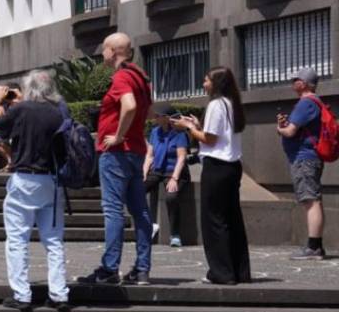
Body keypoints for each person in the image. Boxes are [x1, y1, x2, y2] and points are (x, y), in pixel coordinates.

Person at [0, 73, 70, 310]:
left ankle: (22, 294)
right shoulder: (59, 110)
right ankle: (59, 294)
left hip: (25, 178)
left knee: (17, 239)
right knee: (53, 240)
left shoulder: (22, 109)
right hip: (52, 181)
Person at [80, 32, 154, 286]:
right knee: (140, 211)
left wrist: (119, 135)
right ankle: (142, 269)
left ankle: (110, 268)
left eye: (104, 49)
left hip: (117, 153)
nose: (102, 54)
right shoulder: (141, 77)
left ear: (112, 50)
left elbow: (130, 105)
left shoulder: (122, 76)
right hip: (136, 152)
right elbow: (145, 109)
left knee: (113, 210)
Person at [176, 66, 250, 285]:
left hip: (217, 167)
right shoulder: (232, 104)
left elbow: (209, 140)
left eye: (207, 80)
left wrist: (187, 128)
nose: (204, 84)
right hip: (232, 166)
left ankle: (222, 272)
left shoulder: (216, 105)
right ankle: (239, 270)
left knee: (214, 221)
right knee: (232, 219)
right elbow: (217, 135)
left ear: (216, 83)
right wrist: (197, 125)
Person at [276, 67, 327, 260]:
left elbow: (290, 132)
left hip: (305, 158)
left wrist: (280, 129)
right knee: (313, 199)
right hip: (309, 157)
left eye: (295, 80)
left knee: (310, 200)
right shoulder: (314, 102)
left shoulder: (306, 103)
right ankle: (316, 246)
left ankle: (314, 247)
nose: (292, 83)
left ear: (303, 83)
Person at [143, 102, 190, 248]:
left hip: (173, 170)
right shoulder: (154, 132)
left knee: (171, 196)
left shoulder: (179, 133)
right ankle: (148, 225)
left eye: (157, 116)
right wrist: (143, 173)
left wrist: (174, 178)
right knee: (137, 190)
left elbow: (182, 157)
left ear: (166, 118)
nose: (155, 118)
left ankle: (175, 234)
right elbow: (149, 155)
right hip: (157, 169)